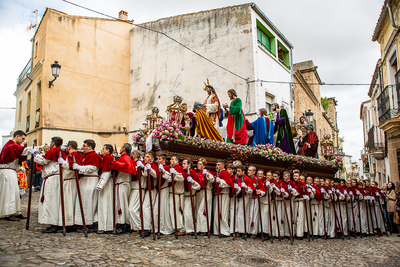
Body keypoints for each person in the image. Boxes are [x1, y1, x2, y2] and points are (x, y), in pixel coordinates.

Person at [32, 136, 66, 233]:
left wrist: (35, 154)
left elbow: (43, 161)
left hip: (52, 178)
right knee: (56, 201)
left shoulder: (53, 151)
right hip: (57, 178)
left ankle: (53, 223)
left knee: (51, 201)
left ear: (53, 143)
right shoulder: (61, 152)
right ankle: (56, 222)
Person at [73, 139, 102, 233]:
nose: (83, 147)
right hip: (85, 181)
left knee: (89, 203)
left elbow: (93, 167)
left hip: (90, 181)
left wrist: (79, 168)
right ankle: (83, 223)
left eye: (84, 145)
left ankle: (89, 223)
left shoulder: (94, 156)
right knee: (84, 202)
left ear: (90, 147)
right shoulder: (87, 156)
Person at [0, 130, 30, 221]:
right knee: (8, 193)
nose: (23, 141)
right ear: (17, 136)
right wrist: (35, 149)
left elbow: (14, 159)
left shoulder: (12, 146)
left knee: (15, 193)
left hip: (11, 171)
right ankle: (7, 213)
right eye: (22, 138)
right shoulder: (11, 145)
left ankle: (16, 211)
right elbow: (23, 150)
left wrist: (19, 168)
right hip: (7, 172)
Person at [111, 143, 135, 234]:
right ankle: (126, 223)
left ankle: (121, 224)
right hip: (126, 183)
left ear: (124, 149)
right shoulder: (128, 158)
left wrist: (114, 163)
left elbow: (126, 167)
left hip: (121, 183)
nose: (120, 149)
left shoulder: (124, 158)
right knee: (124, 204)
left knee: (120, 204)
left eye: (121, 147)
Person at [58, 140, 81, 232]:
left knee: (68, 203)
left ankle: (68, 224)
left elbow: (71, 167)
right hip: (72, 181)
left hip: (69, 181)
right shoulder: (76, 155)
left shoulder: (72, 155)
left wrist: (63, 163)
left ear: (69, 147)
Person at [140, 151, 160, 237]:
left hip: (152, 189)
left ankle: (147, 228)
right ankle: (146, 227)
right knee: (145, 208)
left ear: (152, 159)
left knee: (146, 208)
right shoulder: (147, 165)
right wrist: (143, 167)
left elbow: (155, 175)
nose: (145, 158)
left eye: (147, 157)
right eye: (145, 156)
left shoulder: (153, 166)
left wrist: (149, 168)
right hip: (147, 189)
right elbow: (145, 174)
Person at [96, 144, 114, 234]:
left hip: (106, 183)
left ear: (108, 150)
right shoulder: (106, 157)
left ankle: (105, 226)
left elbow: (107, 171)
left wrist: (100, 184)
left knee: (105, 204)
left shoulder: (107, 157)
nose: (102, 150)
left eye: (103, 149)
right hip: (106, 182)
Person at [182, 158, 202, 235]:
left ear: (189, 164)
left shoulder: (192, 173)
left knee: (188, 213)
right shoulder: (183, 172)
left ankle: (191, 229)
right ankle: (185, 228)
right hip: (183, 195)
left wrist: (193, 182)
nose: (183, 165)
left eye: (184, 163)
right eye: (182, 164)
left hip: (190, 196)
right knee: (183, 212)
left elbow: (199, 186)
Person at [213, 159, 233, 237]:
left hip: (224, 195)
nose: (217, 166)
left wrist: (220, 181)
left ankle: (225, 231)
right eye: (216, 165)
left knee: (223, 213)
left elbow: (229, 183)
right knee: (217, 213)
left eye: (219, 165)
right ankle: (217, 230)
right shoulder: (218, 173)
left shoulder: (225, 173)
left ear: (223, 165)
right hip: (218, 195)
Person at [155, 153, 174, 235]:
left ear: (164, 160)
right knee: (157, 209)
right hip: (159, 190)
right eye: (158, 159)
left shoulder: (166, 167)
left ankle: (163, 228)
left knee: (162, 209)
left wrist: (163, 170)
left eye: (159, 159)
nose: (158, 160)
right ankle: (157, 227)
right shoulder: (158, 167)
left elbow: (170, 178)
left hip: (164, 189)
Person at [196, 158, 214, 236]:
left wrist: (207, 174)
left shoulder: (207, 172)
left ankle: (205, 229)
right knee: (199, 210)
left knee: (203, 210)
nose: (198, 165)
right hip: (200, 192)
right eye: (198, 164)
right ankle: (199, 229)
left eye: (200, 164)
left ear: (204, 166)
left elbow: (212, 179)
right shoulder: (198, 173)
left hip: (207, 191)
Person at [169, 155, 186, 235]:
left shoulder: (179, 168)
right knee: (172, 211)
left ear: (177, 161)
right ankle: (175, 227)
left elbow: (182, 178)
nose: (170, 161)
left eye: (172, 159)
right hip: (173, 193)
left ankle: (181, 228)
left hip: (177, 193)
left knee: (177, 211)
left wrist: (175, 173)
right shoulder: (173, 168)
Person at [247, 166, 266, 239]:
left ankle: (253, 232)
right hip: (248, 199)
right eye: (248, 170)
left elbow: (263, 191)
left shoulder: (257, 179)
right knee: (248, 215)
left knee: (253, 216)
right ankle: (247, 231)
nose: (248, 171)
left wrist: (259, 191)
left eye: (250, 170)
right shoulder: (246, 178)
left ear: (254, 172)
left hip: (254, 199)